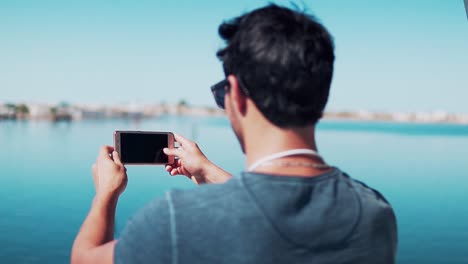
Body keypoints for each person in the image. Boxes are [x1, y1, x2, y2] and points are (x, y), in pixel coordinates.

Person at [71, 4, 397, 264]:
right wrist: (208, 171)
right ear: (322, 95)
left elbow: (84, 258)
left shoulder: (176, 219)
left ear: (236, 94)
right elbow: (274, 211)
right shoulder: (375, 213)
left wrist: (106, 193)